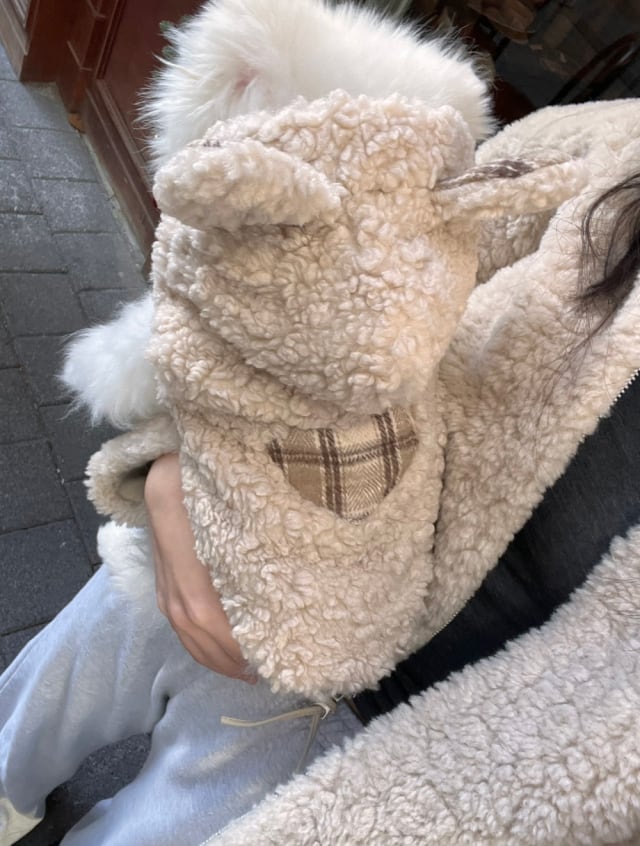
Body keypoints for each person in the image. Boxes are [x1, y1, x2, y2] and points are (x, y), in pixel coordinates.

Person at [2, 95, 640, 845]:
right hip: (246, 531)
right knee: (33, 712)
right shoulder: (614, 146)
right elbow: (311, 282)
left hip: (396, 762)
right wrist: (178, 466)